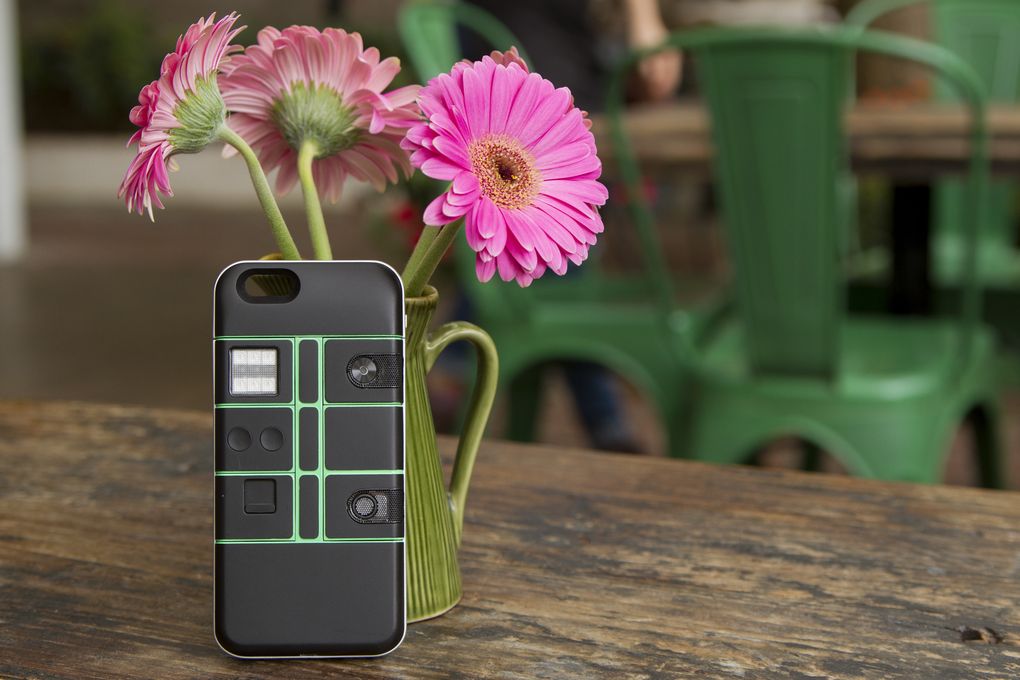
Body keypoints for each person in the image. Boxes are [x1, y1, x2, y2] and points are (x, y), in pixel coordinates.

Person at [458, 0, 681, 453]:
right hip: (524, 108)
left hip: (560, 116)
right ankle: (604, 419)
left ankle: (452, 362)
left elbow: (650, 77)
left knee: (553, 257)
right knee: (554, 258)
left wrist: (641, 17)